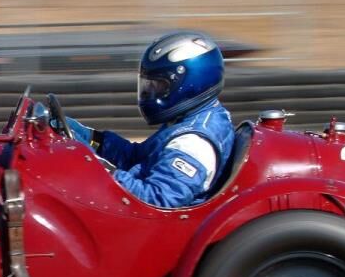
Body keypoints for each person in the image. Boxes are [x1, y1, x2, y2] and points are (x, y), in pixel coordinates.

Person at [66, 30, 235, 208]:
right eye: (149, 85)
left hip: (149, 225)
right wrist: (85, 136)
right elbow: (136, 157)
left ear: (191, 81)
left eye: (159, 85)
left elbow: (158, 201)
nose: (151, 92)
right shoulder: (191, 118)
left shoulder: (193, 142)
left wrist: (95, 167)